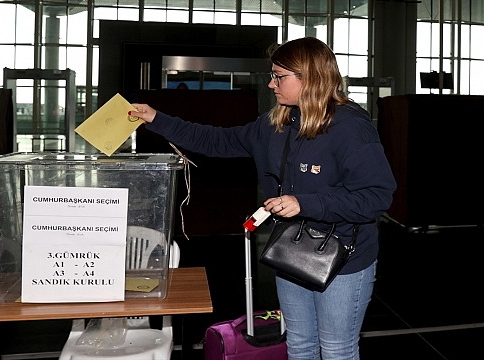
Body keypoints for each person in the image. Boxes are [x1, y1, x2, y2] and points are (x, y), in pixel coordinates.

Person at [130, 37, 396, 359]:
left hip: (345, 260)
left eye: (279, 76)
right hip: (291, 252)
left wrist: (306, 203)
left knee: (337, 349)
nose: (271, 84)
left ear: (309, 77)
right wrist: (157, 119)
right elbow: (215, 140)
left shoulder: (351, 128)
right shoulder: (275, 125)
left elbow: (377, 197)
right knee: (299, 344)